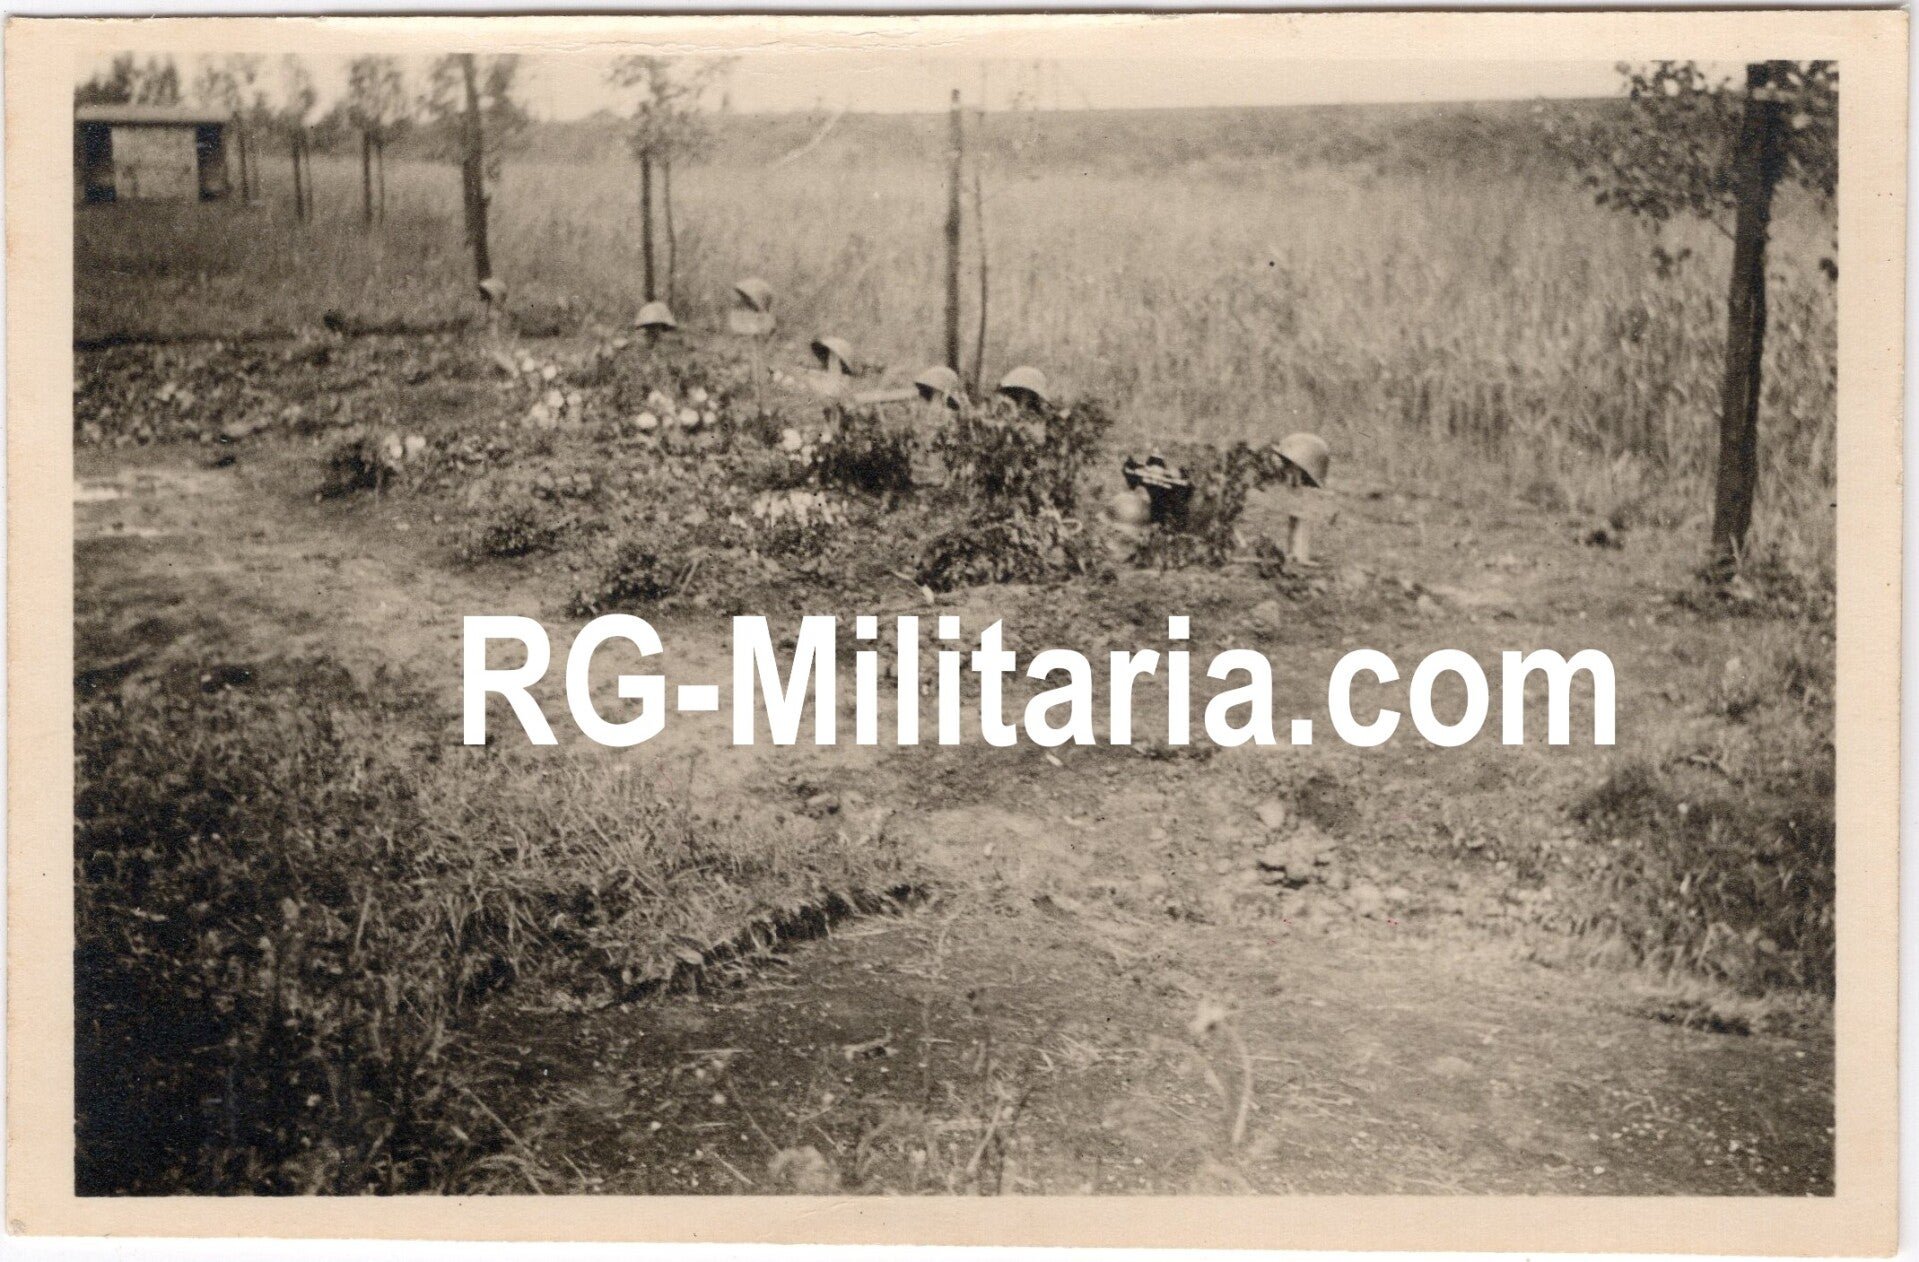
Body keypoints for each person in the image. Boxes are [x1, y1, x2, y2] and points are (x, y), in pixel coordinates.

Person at [1268, 432, 1331, 567]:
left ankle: (1300, 555)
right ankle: (1293, 552)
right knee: (1295, 520)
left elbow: (1296, 479)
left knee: (1303, 522)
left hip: (1305, 494)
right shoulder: (1292, 467)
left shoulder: (1302, 468)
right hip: (1298, 493)